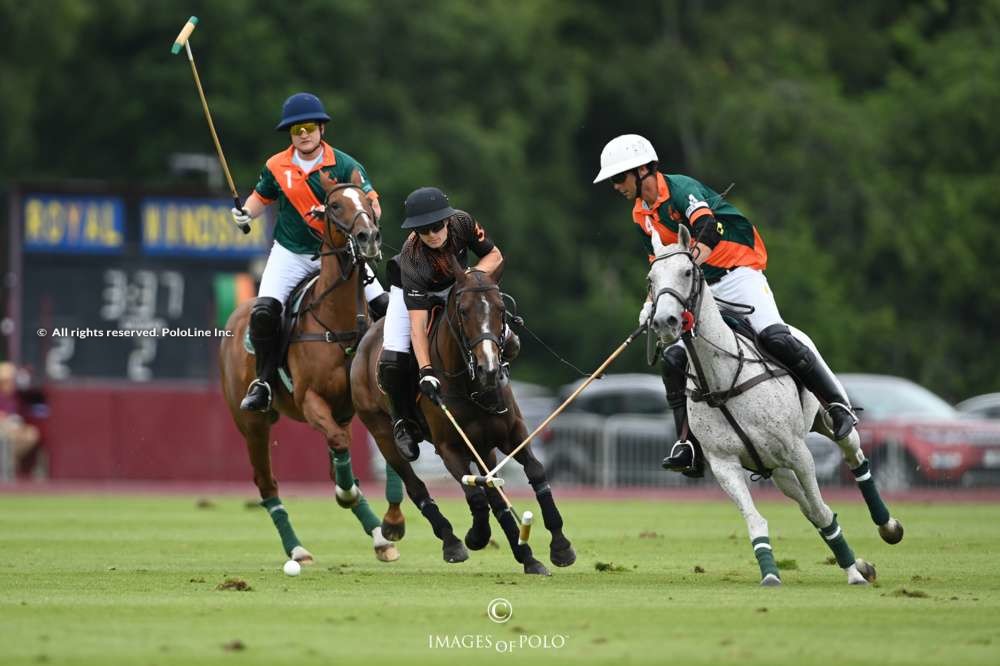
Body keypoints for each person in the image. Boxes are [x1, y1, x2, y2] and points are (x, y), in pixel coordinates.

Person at [593, 134, 857, 477]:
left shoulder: (680, 189)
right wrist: (651, 302)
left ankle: (834, 405)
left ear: (643, 170)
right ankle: (687, 444)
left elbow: (708, 229)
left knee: (774, 336)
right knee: (674, 357)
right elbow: (658, 265)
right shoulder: (640, 215)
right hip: (698, 288)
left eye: (618, 177)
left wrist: (688, 267)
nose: (615, 186)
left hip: (737, 273)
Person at [231, 92, 389, 412]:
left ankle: (392, 379)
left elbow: (371, 201)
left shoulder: (345, 165)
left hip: (341, 253)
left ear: (321, 129)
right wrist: (246, 214)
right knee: (263, 313)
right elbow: (261, 198)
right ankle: (262, 381)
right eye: (296, 129)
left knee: (384, 306)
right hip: (291, 254)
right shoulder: (276, 165)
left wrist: (369, 219)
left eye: (308, 127)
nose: (303, 134)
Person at [377, 187, 507, 461]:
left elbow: (495, 256)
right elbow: (417, 325)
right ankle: (402, 422)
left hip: (458, 285)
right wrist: (426, 370)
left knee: (505, 336)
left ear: (447, 220)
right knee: (392, 358)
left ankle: (493, 388)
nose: (432, 235)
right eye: (424, 231)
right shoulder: (412, 257)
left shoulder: (463, 223)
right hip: (411, 292)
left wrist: (472, 278)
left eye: (437, 227)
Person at [0, 362, 41, 478]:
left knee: (31, 434)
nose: (9, 383)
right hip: (4, 428)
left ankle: (8, 461)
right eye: (6, 380)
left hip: (17, 428)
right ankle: (6, 463)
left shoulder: (16, 395)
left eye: (11, 380)